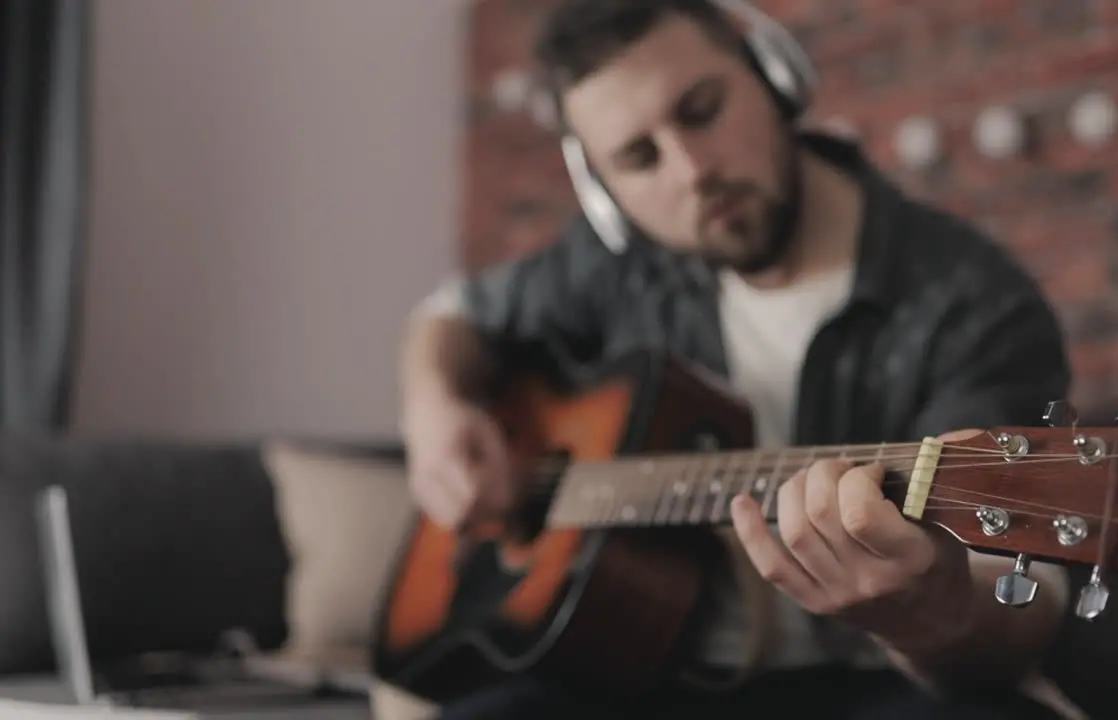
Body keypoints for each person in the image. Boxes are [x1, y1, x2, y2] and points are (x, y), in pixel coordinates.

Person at [399, 1, 1081, 718]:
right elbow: (455, 314)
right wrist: (433, 404)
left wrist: (930, 615)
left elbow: (1017, 598)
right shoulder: (619, 263)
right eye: (639, 159)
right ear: (604, 195)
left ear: (774, 78)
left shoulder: (972, 300)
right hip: (641, 673)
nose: (692, 171)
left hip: (872, 683)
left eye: (702, 110)